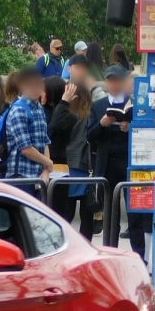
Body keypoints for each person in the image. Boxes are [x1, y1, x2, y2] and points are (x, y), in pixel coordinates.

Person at [88, 65, 147, 258]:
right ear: (105, 83)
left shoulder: (135, 105)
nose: (114, 84)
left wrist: (130, 127)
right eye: (110, 80)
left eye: (117, 80)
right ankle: (110, 255)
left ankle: (139, 257)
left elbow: (147, 134)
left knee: (135, 215)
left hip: (131, 164)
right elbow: (89, 137)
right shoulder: (98, 106)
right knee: (111, 215)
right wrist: (101, 125)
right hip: (107, 164)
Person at [49, 80, 97, 239]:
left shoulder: (69, 115)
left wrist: (63, 102)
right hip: (86, 166)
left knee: (66, 211)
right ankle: (86, 246)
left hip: (69, 166)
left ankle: (64, 242)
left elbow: (54, 126)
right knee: (86, 214)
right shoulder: (91, 114)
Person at [2, 67, 53, 180]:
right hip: (21, 174)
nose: (34, 88)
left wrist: (45, 171)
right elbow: (25, 148)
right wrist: (48, 163)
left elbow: (45, 141)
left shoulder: (40, 108)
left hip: (39, 175)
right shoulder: (19, 109)